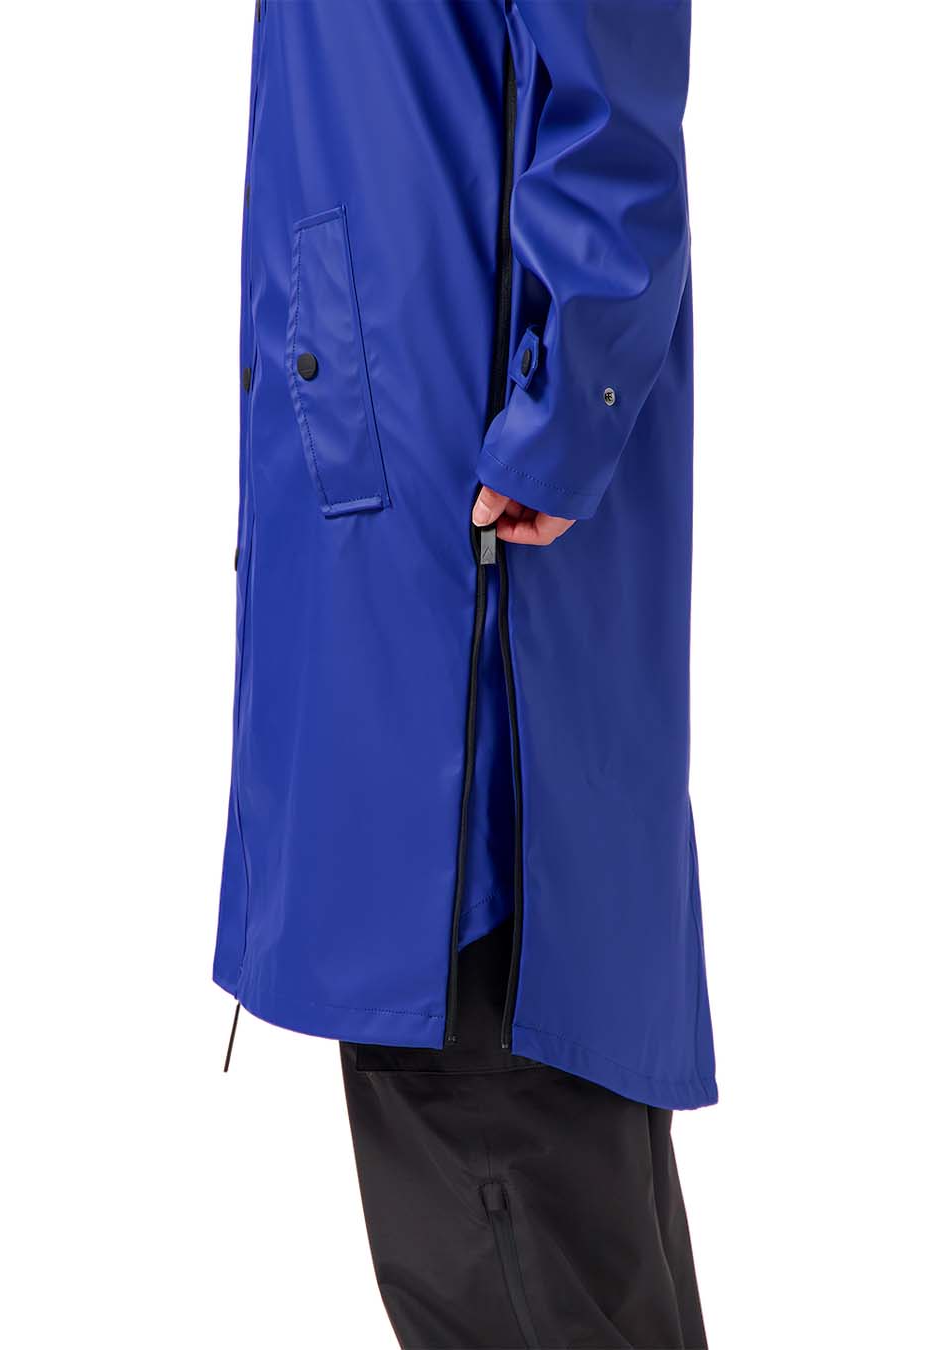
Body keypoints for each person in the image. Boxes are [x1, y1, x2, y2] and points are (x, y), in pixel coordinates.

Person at [214, 2, 715, 1346]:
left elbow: (611, 117)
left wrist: (560, 425)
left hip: (463, 587)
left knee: (500, 1137)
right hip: (394, 554)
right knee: (514, 1185)